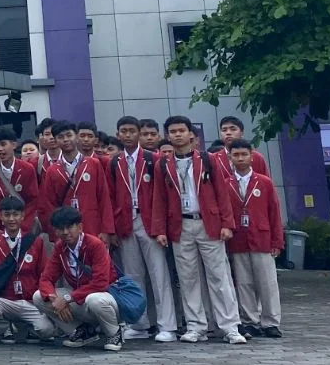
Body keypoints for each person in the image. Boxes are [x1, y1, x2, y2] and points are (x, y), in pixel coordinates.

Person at [149, 115, 246, 344]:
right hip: (180, 225)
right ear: (167, 136)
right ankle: (196, 326)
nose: (177, 135)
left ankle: (230, 327)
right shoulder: (163, 164)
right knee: (188, 279)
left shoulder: (207, 159)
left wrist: (227, 224)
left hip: (208, 223)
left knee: (219, 276)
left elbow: (222, 194)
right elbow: (159, 199)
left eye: (181, 130)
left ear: (191, 134)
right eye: (173, 131)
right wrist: (160, 229)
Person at [111, 115, 176, 342]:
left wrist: (160, 228)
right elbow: (110, 197)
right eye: (124, 131)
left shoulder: (153, 159)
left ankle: (167, 325)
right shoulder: (114, 161)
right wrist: (113, 229)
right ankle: (139, 324)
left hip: (149, 222)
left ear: (139, 133)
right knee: (133, 275)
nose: (128, 135)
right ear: (118, 135)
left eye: (132, 131)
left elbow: (162, 197)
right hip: (126, 223)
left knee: (159, 275)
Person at [34, 206, 124, 352]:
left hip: (106, 297)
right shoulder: (60, 247)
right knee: (39, 296)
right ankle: (82, 332)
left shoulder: (95, 244)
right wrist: (54, 299)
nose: (65, 232)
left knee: (95, 299)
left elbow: (101, 283)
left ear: (80, 227)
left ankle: (114, 333)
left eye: (69, 227)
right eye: (60, 228)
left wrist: (67, 299)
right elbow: (46, 279)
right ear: (55, 231)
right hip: (81, 298)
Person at [225, 139, 284, 338]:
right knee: (244, 283)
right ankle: (249, 321)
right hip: (238, 240)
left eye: (244, 154)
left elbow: (274, 213)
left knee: (267, 283)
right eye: (236, 155)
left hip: (262, 238)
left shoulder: (264, 182)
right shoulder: (226, 183)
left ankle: (271, 322)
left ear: (252, 156)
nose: (240, 158)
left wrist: (277, 241)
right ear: (230, 158)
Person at [0, 195, 51, 344]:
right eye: (7, 215)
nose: (11, 219)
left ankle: (31, 329)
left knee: (47, 331)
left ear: (23, 216)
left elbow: (44, 272)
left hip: (29, 300)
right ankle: (5, 329)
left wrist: (43, 299)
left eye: (15, 214)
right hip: (5, 300)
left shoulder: (35, 241)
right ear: (0, 217)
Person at [42, 120, 114, 241]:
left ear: (76, 137)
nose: (65, 140)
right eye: (60, 137)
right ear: (56, 140)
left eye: (69, 135)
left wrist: (107, 230)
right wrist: (55, 235)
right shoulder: (52, 170)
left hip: (93, 227)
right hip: (66, 230)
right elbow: (50, 206)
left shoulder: (93, 164)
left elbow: (104, 198)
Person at [0, 127, 45, 241]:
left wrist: (22, 225)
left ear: (14, 144)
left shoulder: (27, 169)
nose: (0, 149)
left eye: (3, 144)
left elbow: (33, 200)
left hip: (22, 228)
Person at [211, 116, 269, 181]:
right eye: (224, 130)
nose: (228, 133)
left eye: (233, 129)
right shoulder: (213, 159)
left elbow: (266, 183)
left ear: (242, 133)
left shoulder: (256, 157)